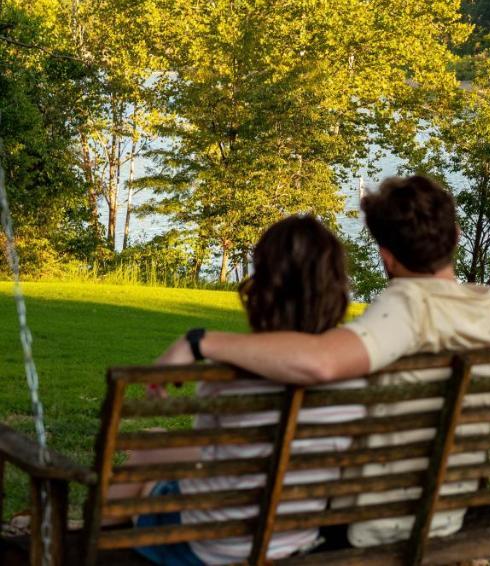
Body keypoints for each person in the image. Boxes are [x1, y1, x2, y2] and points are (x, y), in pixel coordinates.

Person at [154, 174, 490, 546]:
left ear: (387, 257)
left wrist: (201, 342)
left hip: (368, 523)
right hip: (444, 512)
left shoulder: (407, 307)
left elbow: (321, 363)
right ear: (456, 237)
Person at [121, 215, 365, 565]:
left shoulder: (227, 378)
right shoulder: (353, 378)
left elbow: (209, 455)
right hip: (294, 540)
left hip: (212, 549)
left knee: (148, 468)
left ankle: (84, 529)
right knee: (155, 442)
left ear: (261, 287)